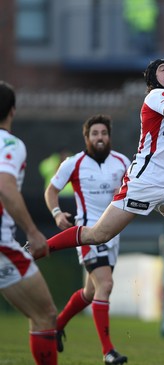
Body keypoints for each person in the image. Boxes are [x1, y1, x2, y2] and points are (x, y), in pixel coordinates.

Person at [27, 59, 164, 312]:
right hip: (144, 183)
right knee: (98, 235)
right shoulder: (156, 96)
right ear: (154, 81)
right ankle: (38, 247)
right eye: (163, 70)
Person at [44, 115, 131, 365]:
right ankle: (108, 351)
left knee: (91, 292)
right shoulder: (73, 163)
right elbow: (51, 191)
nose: (100, 137)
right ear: (87, 137)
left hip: (112, 234)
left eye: (103, 133)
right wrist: (57, 213)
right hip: (86, 233)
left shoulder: (122, 162)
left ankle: (57, 326)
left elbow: (131, 190)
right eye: (95, 133)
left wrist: (123, 193)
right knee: (105, 285)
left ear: (109, 136)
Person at [0, 81, 58, 365]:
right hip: (2, 246)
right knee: (45, 315)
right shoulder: (9, 143)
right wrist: (33, 232)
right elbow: (5, 185)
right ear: (12, 111)